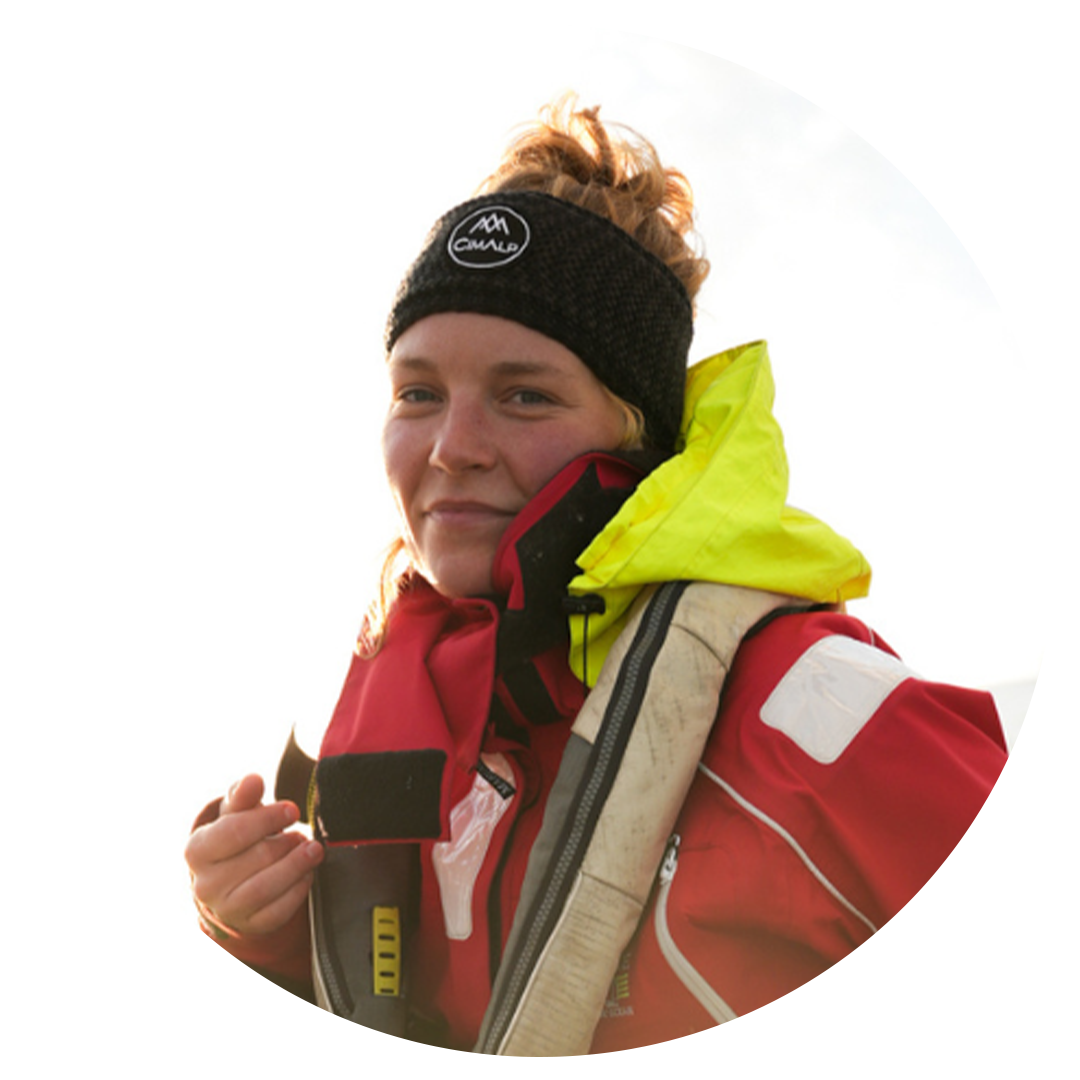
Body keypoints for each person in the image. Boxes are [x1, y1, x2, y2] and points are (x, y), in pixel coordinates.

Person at [112, 95, 1055, 1057]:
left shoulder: (813, 715)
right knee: (190, 1024)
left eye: (525, 396)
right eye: (418, 393)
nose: (452, 447)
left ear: (640, 439)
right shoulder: (397, 714)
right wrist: (258, 926)